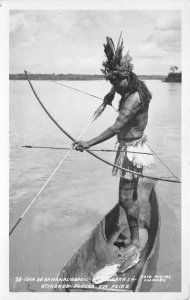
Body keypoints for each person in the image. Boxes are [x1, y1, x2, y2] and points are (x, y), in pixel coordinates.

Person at [73, 35, 155, 270]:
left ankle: (136, 243)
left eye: (117, 83)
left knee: (125, 199)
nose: (116, 87)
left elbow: (117, 126)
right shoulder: (133, 85)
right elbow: (118, 88)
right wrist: (110, 94)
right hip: (133, 148)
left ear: (126, 77)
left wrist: (89, 142)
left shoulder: (133, 99)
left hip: (131, 153)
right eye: (112, 82)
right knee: (131, 198)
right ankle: (136, 233)